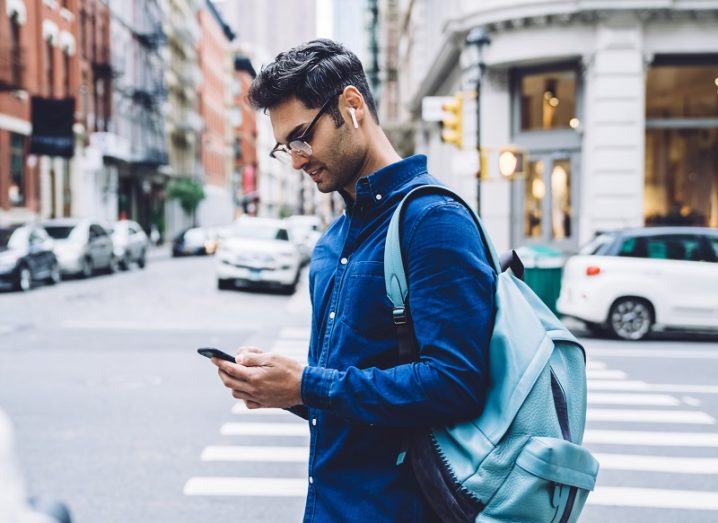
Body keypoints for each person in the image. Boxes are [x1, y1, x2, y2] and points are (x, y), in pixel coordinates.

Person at [211, 39, 496, 522]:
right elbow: (352, 391)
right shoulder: (330, 245)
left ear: (352, 105)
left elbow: (456, 383)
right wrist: (283, 387)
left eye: (302, 136)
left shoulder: (433, 220)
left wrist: (308, 385)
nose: (297, 159)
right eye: (286, 148)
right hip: (330, 507)